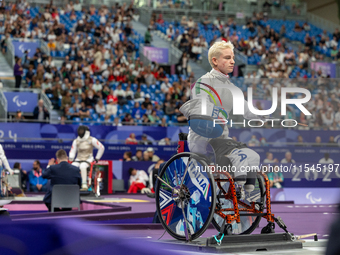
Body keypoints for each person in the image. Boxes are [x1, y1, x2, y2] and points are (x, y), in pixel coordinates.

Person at [180, 40, 263, 195]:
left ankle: (242, 193)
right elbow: (201, 108)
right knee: (231, 161)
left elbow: (245, 108)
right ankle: (234, 191)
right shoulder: (204, 82)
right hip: (202, 139)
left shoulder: (231, 88)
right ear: (215, 61)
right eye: (227, 58)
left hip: (221, 140)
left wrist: (260, 116)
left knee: (247, 157)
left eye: (232, 57)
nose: (232, 61)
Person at [69, 126, 105, 190]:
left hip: (88, 159)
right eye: (79, 131)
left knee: (83, 166)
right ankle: (72, 183)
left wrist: (97, 158)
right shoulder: (76, 141)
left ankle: (84, 184)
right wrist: (71, 158)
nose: (80, 132)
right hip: (78, 159)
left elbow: (101, 147)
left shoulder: (91, 139)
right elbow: (72, 151)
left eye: (82, 131)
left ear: (85, 132)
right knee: (72, 166)